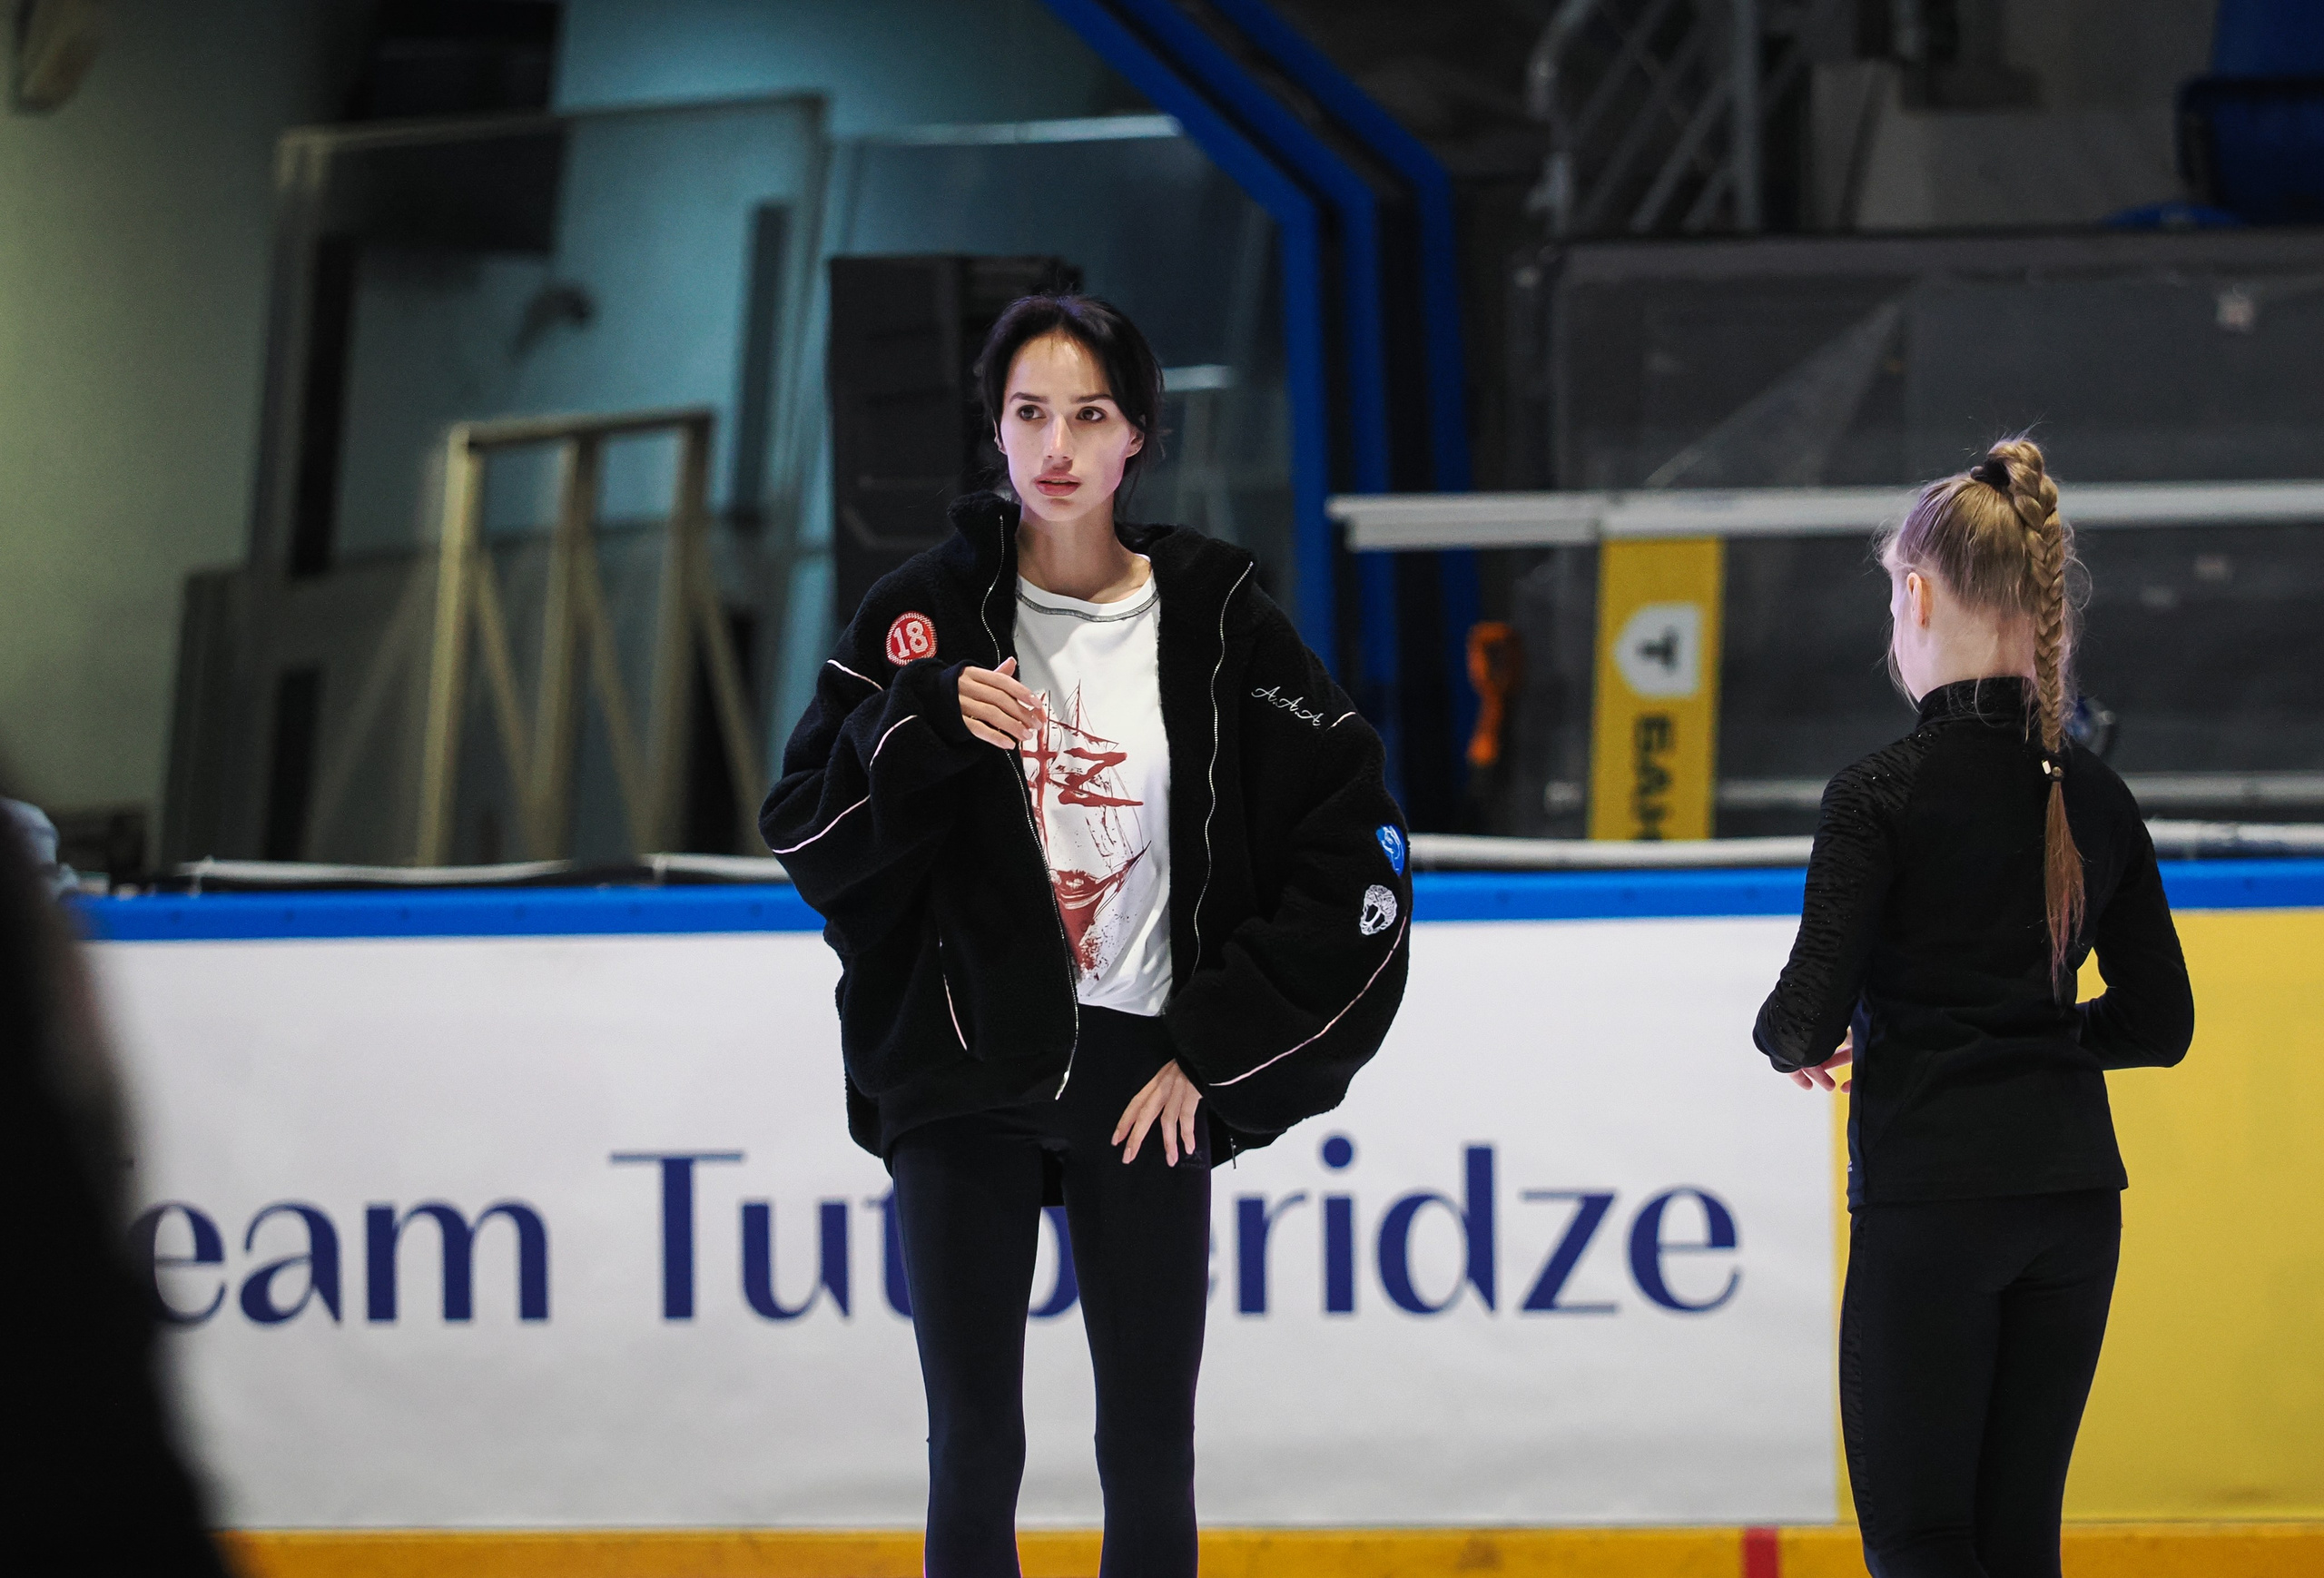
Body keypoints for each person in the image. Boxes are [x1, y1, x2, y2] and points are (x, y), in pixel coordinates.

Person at [762, 293, 1412, 1577]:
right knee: (973, 1444)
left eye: (1090, 414)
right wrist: (924, 718)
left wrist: (1218, 1048)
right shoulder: (921, 617)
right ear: (994, 433)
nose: (1057, 444)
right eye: (1029, 413)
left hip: (1141, 1081)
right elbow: (809, 836)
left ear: (1136, 442)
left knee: (1149, 1448)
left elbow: (1358, 847)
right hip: (962, 1075)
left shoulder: (1221, 621)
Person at [1753, 438, 2195, 1578]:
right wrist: (2039, 1037)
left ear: (1915, 595)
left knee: (1922, 1543)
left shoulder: (1878, 795)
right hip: (2071, 1205)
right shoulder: (2095, 792)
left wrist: (1852, 1038)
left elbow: (1798, 1022)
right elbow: (2158, 1022)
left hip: (1932, 1204)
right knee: (2015, 1544)